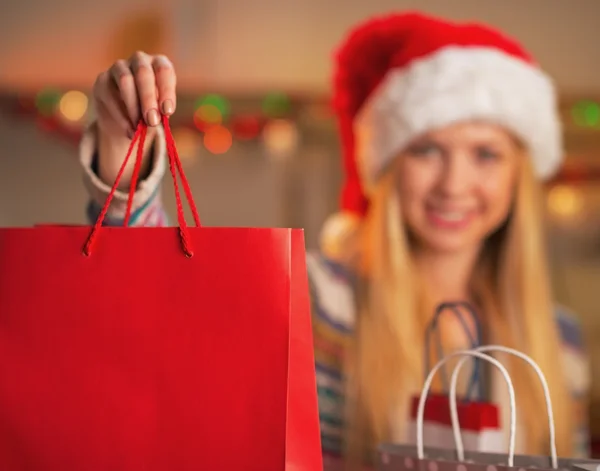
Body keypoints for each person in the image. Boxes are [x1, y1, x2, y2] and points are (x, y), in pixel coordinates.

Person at [79, 11, 590, 468]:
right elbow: (159, 308)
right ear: (386, 167)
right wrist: (125, 161)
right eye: (427, 150)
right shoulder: (313, 297)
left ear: (518, 176)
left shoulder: (559, 339)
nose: (454, 185)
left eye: (486, 154)